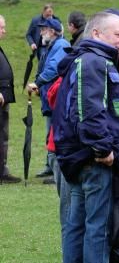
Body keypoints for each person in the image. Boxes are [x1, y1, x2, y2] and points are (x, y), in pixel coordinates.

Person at [53, 11, 119, 263]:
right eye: (118, 35)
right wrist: (103, 149)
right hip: (94, 160)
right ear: (97, 35)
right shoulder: (94, 62)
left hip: (80, 158)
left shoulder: (89, 61)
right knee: (96, 228)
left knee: (77, 226)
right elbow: (89, 110)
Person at [27, 17, 69, 181]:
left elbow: (53, 68)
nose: (41, 32)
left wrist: (37, 83)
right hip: (50, 97)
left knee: (55, 134)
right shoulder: (51, 46)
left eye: (44, 29)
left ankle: (57, 170)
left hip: (56, 98)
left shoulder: (61, 45)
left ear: (52, 31)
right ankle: (50, 167)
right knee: (50, 132)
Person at [0, 15, 21, 183]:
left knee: (3, 135)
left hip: (4, 100)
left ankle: (2, 170)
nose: (4, 31)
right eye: (1, 28)